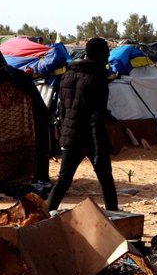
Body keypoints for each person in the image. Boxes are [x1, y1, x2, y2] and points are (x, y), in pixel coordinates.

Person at [47, 38, 118, 211]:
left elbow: (64, 109)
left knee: (63, 181)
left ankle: (44, 216)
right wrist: (100, 148)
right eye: (106, 53)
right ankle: (116, 219)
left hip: (71, 135)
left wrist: (64, 135)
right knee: (106, 180)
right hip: (91, 138)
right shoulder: (97, 79)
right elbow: (96, 116)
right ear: (99, 55)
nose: (108, 57)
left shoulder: (68, 75)